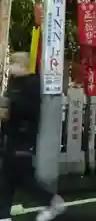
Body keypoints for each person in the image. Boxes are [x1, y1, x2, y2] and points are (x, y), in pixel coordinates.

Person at [0, 52, 66, 221]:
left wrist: (8, 112)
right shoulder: (14, 82)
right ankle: (4, 215)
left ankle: (51, 201)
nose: (10, 67)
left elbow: (26, 109)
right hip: (11, 137)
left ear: (23, 65)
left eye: (13, 64)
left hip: (24, 139)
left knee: (21, 179)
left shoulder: (32, 83)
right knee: (7, 180)